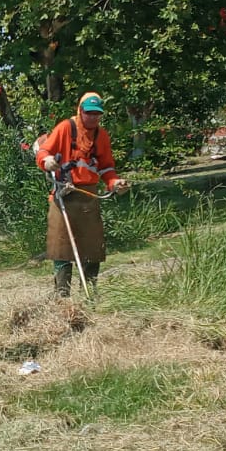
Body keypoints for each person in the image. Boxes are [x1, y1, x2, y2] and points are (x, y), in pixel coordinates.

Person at [36, 91, 129, 297]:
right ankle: (62, 297)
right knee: (61, 247)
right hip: (64, 193)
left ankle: (89, 296)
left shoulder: (101, 136)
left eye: (97, 114)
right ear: (80, 111)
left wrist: (114, 183)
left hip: (89, 196)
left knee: (93, 248)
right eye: (89, 113)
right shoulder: (65, 128)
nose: (93, 117)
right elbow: (43, 152)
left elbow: (106, 168)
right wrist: (47, 161)